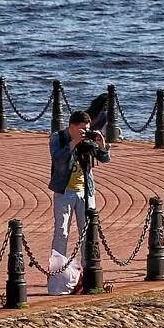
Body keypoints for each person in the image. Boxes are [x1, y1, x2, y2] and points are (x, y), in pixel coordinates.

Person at [49, 110, 111, 261]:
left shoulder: (87, 139)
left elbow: (104, 159)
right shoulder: (58, 138)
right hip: (64, 191)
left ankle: (87, 268)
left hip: (86, 191)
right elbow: (58, 159)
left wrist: (102, 146)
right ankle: (58, 270)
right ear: (73, 126)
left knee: (87, 231)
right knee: (61, 232)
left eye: (87, 129)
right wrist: (74, 142)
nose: (86, 132)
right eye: (83, 129)